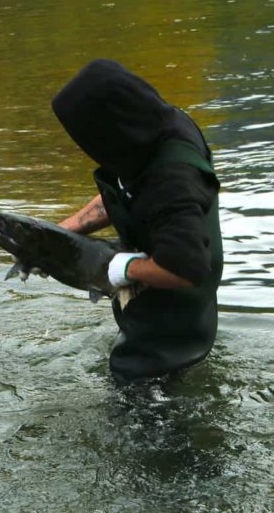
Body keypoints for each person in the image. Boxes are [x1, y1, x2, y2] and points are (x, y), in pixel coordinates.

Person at [50, 59, 223, 382]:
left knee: (143, 401)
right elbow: (131, 193)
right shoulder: (148, 132)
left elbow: (186, 267)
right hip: (162, 317)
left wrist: (123, 269)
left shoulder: (173, 181)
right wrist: (61, 233)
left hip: (174, 324)